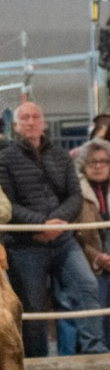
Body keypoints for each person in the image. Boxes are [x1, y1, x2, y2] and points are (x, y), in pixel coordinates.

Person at [0, 102, 108, 357]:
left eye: (36, 117)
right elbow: (6, 204)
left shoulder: (60, 155)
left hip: (63, 241)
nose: (31, 122)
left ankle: (95, 349)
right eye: (25, 118)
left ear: (44, 122)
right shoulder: (3, 160)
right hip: (24, 245)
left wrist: (56, 224)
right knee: (33, 307)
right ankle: (36, 359)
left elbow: (74, 197)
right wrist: (41, 225)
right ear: (16, 125)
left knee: (87, 286)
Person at [75, 138, 110, 350]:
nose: (98, 166)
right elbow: (76, 235)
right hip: (91, 258)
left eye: (103, 161)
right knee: (97, 294)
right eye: (92, 162)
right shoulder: (76, 193)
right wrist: (97, 258)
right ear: (84, 165)